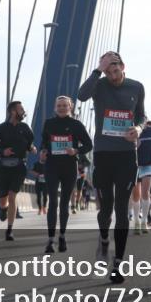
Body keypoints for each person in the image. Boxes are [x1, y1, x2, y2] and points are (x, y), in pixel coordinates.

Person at [78, 50, 146, 284]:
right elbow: (81, 95)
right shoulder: (99, 85)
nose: (113, 74)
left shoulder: (136, 87)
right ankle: (104, 238)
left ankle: (117, 263)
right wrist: (97, 70)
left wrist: (138, 129)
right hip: (104, 154)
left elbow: (142, 116)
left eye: (115, 69)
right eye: (108, 71)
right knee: (105, 210)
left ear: (123, 66)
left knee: (121, 209)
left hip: (127, 155)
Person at [40, 95, 94, 252]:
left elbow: (89, 144)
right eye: (59, 105)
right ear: (55, 107)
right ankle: (50, 240)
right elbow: (44, 142)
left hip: (69, 167)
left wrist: (76, 150)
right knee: (53, 203)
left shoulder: (76, 125)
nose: (62, 108)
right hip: (52, 166)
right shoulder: (49, 124)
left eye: (65, 105)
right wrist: (43, 151)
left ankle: (62, 236)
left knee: (64, 204)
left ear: (70, 107)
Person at [0, 101, 36, 241]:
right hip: (3, 167)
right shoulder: (0, 128)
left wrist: (32, 149)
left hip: (19, 166)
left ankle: (9, 230)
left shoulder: (25, 128)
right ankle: (3, 209)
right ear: (13, 112)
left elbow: (30, 144)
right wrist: (3, 150)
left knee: (12, 196)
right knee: (3, 199)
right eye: (21, 109)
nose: (23, 111)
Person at [130, 121, 151, 234]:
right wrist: (134, 145)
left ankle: (144, 222)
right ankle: (137, 221)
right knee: (135, 195)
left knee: (145, 192)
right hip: (134, 164)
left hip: (148, 164)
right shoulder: (132, 129)